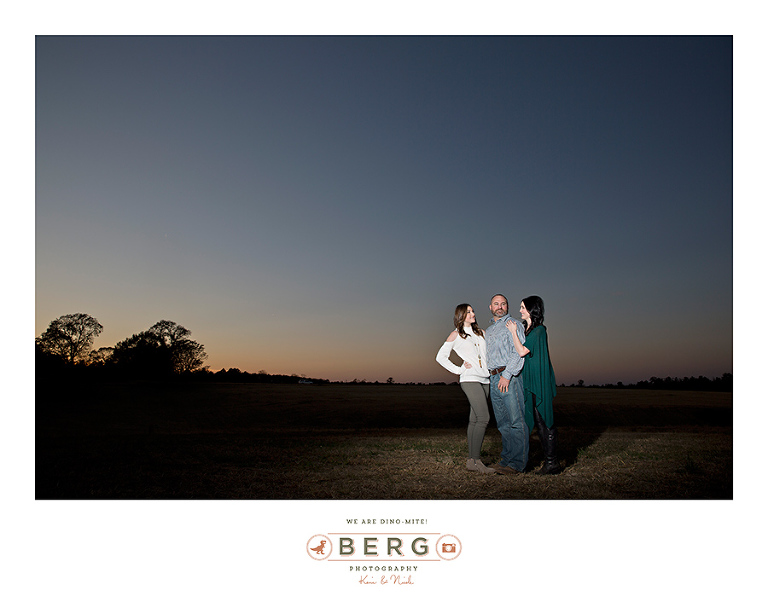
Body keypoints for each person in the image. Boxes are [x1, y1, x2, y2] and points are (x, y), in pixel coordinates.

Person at [436, 304, 495, 474]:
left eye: (473, 311)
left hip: (485, 379)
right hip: (470, 379)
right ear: (461, 315)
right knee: (484, 417)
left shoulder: (481, 333)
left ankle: (471, 461)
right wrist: (459, 370)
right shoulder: (456, 335)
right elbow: (440, 357)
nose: (473, 314)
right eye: (468, 312)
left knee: (475, 419)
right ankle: (476, 460)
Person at [506, 296, 562, 474]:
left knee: (544, 419)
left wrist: (513, 332)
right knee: (538, 420)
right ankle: (549, 461)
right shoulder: (529, 330)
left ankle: (552, 463)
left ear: (532, 309)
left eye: (523, 307)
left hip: (539, 379)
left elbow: (522, 351)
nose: (520, 310)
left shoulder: (538, 331)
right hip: (530, 378)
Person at [485, 294, 529, 474]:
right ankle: (506, 461)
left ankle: (517, 464)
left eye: (503, 304)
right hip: (494, 378)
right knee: (503, 423)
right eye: (496, 304)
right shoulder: (489, 330)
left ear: (507, 306)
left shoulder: (514, 325)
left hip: (508, 376)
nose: (500, 306)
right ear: (490, 307)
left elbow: (518, 352)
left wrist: (507, 375)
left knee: (516, 421)